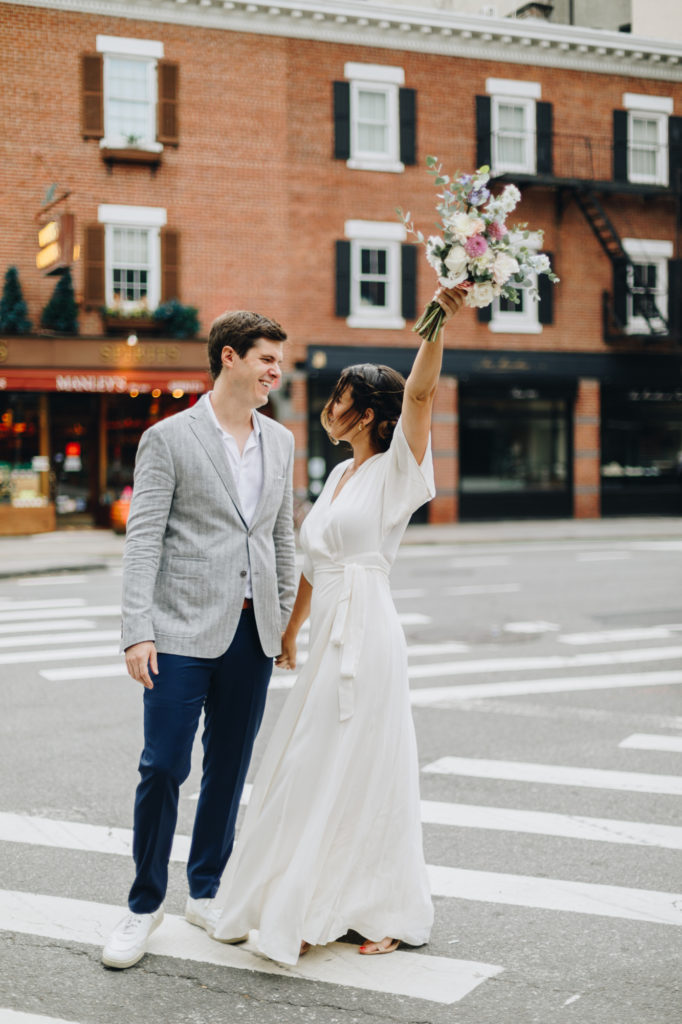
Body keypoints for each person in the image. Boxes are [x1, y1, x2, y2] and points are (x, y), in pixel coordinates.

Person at [211, 285, 466, 964]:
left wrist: (435, 319)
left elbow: (420, 395)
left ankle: (381, 905)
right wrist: (291, 631)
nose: (331, 403)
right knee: (310, 759)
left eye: (343, 395)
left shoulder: (397, 471)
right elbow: (310, 563)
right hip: (326, 633)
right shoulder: (337, 480)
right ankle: (310, 890)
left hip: (369, 633)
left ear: (370, 411)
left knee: (364, 763)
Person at [102, 310, 297, 969]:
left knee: (229, 767)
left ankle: (207, 890)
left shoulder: (281, 441)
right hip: (180, 629)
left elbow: (281, 538)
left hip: (252, 634)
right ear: (230, 358)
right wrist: (137, 632)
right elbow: (142, 539)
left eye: (280, 359)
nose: (277, 370)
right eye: (267, 358)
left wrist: (283, 621)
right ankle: (142, 904)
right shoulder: (169, 437)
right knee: (162, 765)